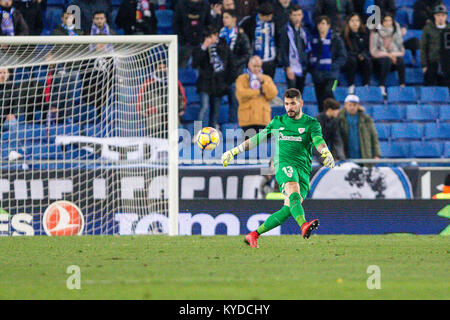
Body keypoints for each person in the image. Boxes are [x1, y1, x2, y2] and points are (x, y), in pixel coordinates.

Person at [222, 88, 336, 247]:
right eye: (287, 104)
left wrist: (325, 151)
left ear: (300, 103)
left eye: (293, 104)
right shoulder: (278, 122)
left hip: (303, 169)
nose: (289, 107)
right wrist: (235, 150)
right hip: (283, 164)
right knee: (293, 190)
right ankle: (303, 225)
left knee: (289, 209)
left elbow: (318, 139)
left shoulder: (311, 123)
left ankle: (253, 234)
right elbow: (257, 139)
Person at [193, 26, 232, 129]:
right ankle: (198, 131)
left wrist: (226, 82)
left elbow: (229, 65)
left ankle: (212, 132)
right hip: (204, 83)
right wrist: (204, 47)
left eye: (212, 36)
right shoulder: (200, 48)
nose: (211, 39)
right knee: (204, 107)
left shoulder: (223, 46)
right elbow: (195, 63)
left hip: (218, 83)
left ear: (216, 36)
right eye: (208, 37)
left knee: (215, 110)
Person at [136, 61, 187, 137]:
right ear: (155, 70)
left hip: (171, 118)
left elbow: (181, 97)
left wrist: (182, 109)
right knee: (153, 143)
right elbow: (141, 98)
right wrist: (141, 110)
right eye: (160, 68)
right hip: (154, 119)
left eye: (164, 67)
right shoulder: (148, 83)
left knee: (171, 144)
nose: (162, 70)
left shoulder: (175, 82)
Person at [309, 15, 347, 113]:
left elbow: (343, 56)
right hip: (318, 74)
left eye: (323, 24)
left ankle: (337, 112)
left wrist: (333, 66)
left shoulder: (336, 39)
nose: (321, 26)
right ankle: (322, 118)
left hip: (332, 75)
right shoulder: (313, 40)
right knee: (320, 99)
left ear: (328, 25)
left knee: (328, 91)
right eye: (319, 24)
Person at [219, 9, 251, 123]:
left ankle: (232, 127)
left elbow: (248, 53)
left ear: (234, 19)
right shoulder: (219, 35)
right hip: (220, 74)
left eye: (227, 17)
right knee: (216, 103)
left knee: (234, 101)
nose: (224, 20)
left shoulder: (241, 36)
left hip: (236, 74)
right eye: (223, 17)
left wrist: (234, 63)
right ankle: (215, 126)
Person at [235, 55, 278, 135]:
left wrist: (263, 83)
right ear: (249, 65)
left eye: (259, 66)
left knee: (263, 147)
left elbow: (272, 94)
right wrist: (259, 91)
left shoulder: (266, 79)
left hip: (263, 119)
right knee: (249, 146)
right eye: (254, 66)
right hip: (247, 120)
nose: (256, 69)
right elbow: (241, 94)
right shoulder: (241, 79)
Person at [370, 13, 405, 97]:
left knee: (400, 60)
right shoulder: (375, 32)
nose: (388, 23)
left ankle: (402, 85)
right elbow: (373, 51)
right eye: (385, 20)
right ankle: (381, 86)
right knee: (387, 60)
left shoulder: (396, 31)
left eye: (390, 20)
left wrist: (392, 54)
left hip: (393, 55)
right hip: (379, 58)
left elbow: (402, 50)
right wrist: (388, 55)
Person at [240, 2, 278, 78]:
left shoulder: (274, 22)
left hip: (270, 60)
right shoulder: (248, 22)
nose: (270, 18)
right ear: (261, 15)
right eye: (268, 16)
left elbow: (277, 38)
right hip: (253, 61)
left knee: (267, 86)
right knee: (253, 86)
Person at [336, 94, 381, 160]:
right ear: (345, 105)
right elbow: (335, 139)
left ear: (358, 105)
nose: (352, 107)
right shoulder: (339, 119)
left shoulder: (366, 119)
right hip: (345, 156)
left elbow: (374, 136)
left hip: (364, 156)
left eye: (354, 105)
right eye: (350, 105)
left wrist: (376, 154)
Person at [279, 5, 310, 94]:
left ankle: (297, 108)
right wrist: (287, 67)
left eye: (299, 15)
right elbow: (283, 50)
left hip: (302, 65)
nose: (297, 18)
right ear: (290, 16)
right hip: (291, 66)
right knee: (292, 92)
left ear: (302, 16)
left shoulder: (304, 30)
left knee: (300, 92)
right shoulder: (286, 30)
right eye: (295, 15)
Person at [173, 0, 212, 68]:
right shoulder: (180, 4)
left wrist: (204, 38)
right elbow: (176, 24)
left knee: (202, 69)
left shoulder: (206, 5)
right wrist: (182, 40)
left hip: (201, 43)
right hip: (185, 43)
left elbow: (209, 23)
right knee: (182, 69)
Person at [420, 4, 449, 87]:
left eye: (442, 15)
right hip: (432, 62)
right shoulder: (428, 28)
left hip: (446, 63)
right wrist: (424, 65)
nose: (440, 17)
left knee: (446, 87)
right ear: (434, 16)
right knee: (429, 85)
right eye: (438, 15)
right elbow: (423, 47)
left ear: (446, 16)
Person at [342, 13, 372, 93]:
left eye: (357, 20)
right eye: (352, 21)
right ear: (348, 22)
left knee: (367, 61)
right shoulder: (344, 35)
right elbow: (344, 51)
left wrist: (363, 54)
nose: (355, 23)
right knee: (352, 60)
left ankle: (366, 85)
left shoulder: (365, 33)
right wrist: (356, 55)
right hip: (350, 59)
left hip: (361, 58)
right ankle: (351, 85)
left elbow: (367, 48)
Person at [0, 67, 24, 161]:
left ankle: (13, 151)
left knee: (13, 122)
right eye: (0, 72)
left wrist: (14, 114)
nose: (2, 75)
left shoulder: (13, 88)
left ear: (8, 74)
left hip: (6, 120)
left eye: (4, 72)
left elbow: (18, 104)